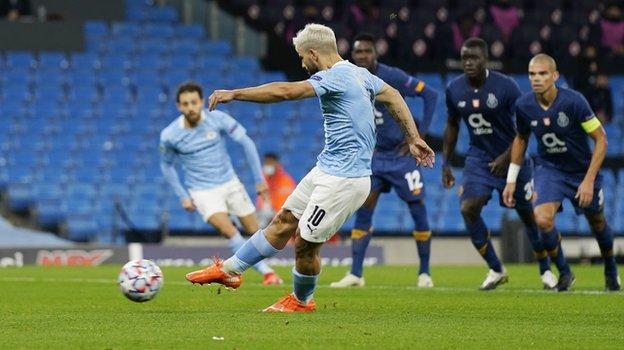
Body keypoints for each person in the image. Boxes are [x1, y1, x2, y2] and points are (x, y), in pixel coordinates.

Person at [185, 23, 435, 313]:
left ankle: (302, 301)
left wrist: (236, 94)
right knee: (283, 221)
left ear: (314, 53)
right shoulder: (361, 74)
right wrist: (414, 137)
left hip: (345, 179)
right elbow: (393, 95)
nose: (302, 63)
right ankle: (229, 270)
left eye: (303, 57)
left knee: (304, 241)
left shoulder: (333, 77)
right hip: (326, 169)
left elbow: (285, 92)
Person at [442, 38, 556, 290]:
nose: (469, 62)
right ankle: (495, 268)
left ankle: (545, 269)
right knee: (468, 208)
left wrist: (508, 157)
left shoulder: (506, 87)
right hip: (479, 159)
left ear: (485, 59)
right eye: (465, 58)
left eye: (474, 58)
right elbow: (452, 125)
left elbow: (526, 126)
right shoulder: (454, 89)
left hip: (512, 159)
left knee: (528, 217)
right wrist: (445, 162)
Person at [503, 54, 621, 292]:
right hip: (550, 170)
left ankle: (610, 269)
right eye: (532, 74)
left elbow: (601, 140)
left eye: (543, 73)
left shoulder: (574, 102)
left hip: (581, 171)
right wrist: (511, 180)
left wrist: (588, 181)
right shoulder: (524, 106)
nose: (537, 79)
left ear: (555, 76)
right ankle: (565, 272)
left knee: (597, 223)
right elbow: (521, 139)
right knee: (542, 219)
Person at [330, 33, 439, 289]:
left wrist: (419, 134)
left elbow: (430, 95)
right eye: (358, 52)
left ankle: (424, 273)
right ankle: (356, 274)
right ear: (352, 55)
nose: (362, 56)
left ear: (375, 54)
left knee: (418, 209)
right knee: (364, 209)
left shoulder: (392, 76)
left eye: (367, 51)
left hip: (402, 158)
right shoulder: (348, 77)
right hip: (375, 158)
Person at [159, 82, 283, 286]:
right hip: (202, 191)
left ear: (201, 102)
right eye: (185, 104)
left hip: (230, 183)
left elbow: (247, 143)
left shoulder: (217, 119)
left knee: (255, 232)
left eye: (193, 102)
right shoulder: (170, 135)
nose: (190, 107)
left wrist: (259, 180)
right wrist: (183, 195)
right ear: (178, 107)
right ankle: (266, 273)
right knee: (228, 231)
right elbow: (167, 166)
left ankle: (243, 269)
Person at [256, 153, 297, 226]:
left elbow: (288, 203)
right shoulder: (263, 178)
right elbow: (261, 201)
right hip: (267, 215)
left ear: (276, 163)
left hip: (281, 214)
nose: (268, 165)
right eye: (266, 163)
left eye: (270, 163)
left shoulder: (286, 180)